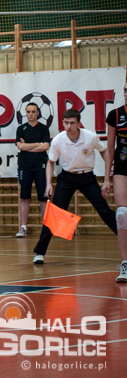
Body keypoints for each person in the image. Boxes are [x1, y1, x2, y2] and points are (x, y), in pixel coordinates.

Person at [33, 109, 116, 265]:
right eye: (66, 123)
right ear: (62, 123)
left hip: (87, 177)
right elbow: (50, 163)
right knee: (54, 215)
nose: (69, 126)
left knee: (105, 211)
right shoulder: (58, 140)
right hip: (67, 178)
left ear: (78, 124)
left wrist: (107, 174)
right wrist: (48, 184)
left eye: (72, 123)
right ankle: (39, 252)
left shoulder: (90, 137)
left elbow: (104, 152)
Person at [15, 102, 51, 237]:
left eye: (33, 112)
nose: (30, 114)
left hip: (41, 166)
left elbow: (45, 146)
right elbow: (20, 147)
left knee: (44, 198)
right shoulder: (21, 129)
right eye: (28, 112)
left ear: (38, 113)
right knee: (24, 197)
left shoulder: (43, 128)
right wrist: (37, 144)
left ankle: (46, 228)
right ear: (26, 113)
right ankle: (23, 227)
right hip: (25, 166)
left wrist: (28, 146)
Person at [106, 82, 127, 282]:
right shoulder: (115, 115)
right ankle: (125, 263)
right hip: (122, 168)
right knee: (121, 215)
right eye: (126, 90)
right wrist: (106, 179)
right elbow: (110, 149)